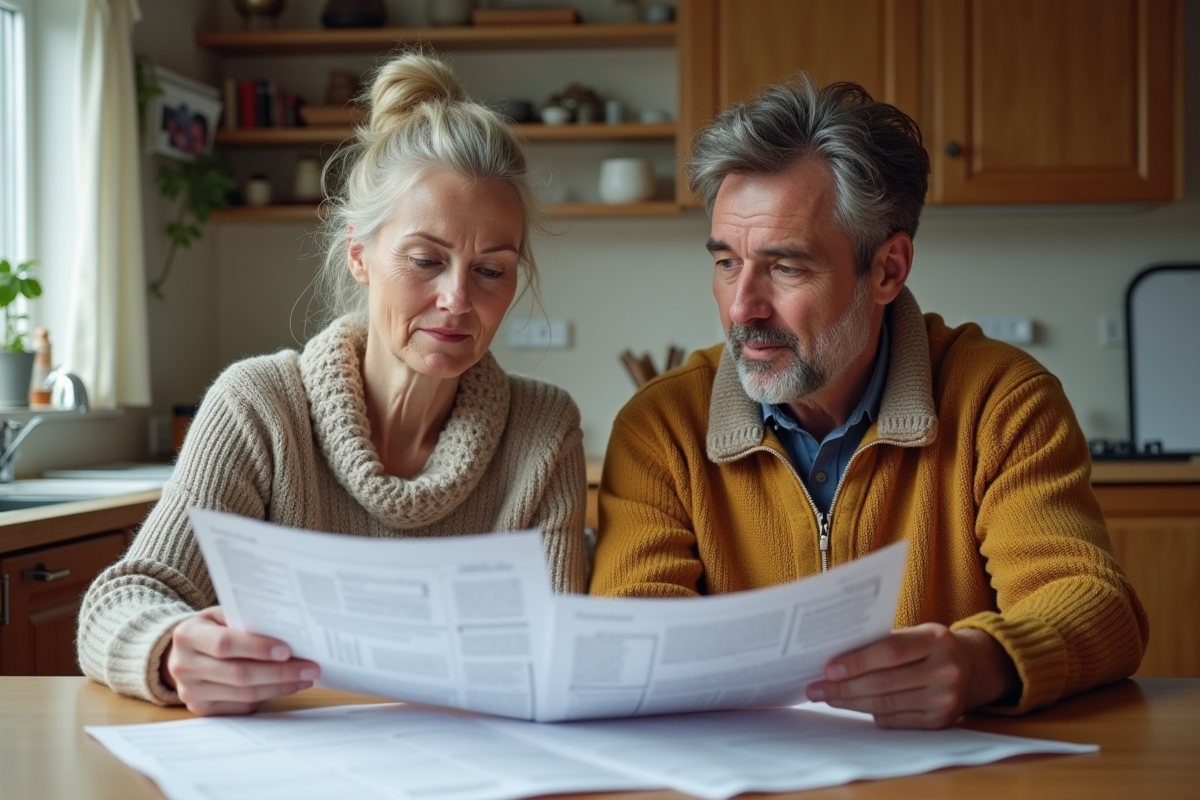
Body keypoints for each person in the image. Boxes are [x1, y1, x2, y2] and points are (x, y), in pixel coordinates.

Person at [590, 76, 1148, 729]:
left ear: (887, 269)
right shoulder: (662, 428)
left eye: (785, 267)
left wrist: (980, 662)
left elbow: (1095, 605)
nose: (741, 307)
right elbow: (632, 641)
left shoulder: (1002, 403)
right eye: (725, 263)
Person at [78, 52, 588, 716]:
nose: (457, 299)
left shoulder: (543, 430)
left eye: (491, 270)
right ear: (359, 255)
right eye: (426, 260)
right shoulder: (258, 407)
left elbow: (551, 657)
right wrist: (171, 648)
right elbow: (121, 601)